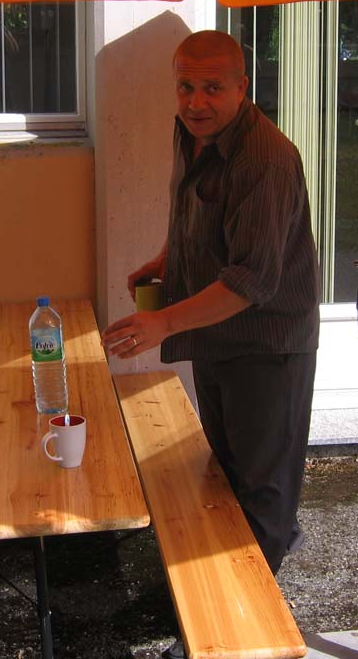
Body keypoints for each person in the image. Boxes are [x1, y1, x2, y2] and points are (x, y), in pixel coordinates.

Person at [102, 30, 320, 586]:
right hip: (217, 335)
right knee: (224, 470)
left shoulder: (266, 160)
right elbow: (197, 213)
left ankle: (253, 605)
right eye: (186, 87)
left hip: (267, 346)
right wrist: (166, 258)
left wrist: (163, 322)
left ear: (242, 87)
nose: (196, 102)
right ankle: (229, 581)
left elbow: (251, 280)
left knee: (263, 488)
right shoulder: (192, 133)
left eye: (213, 88)